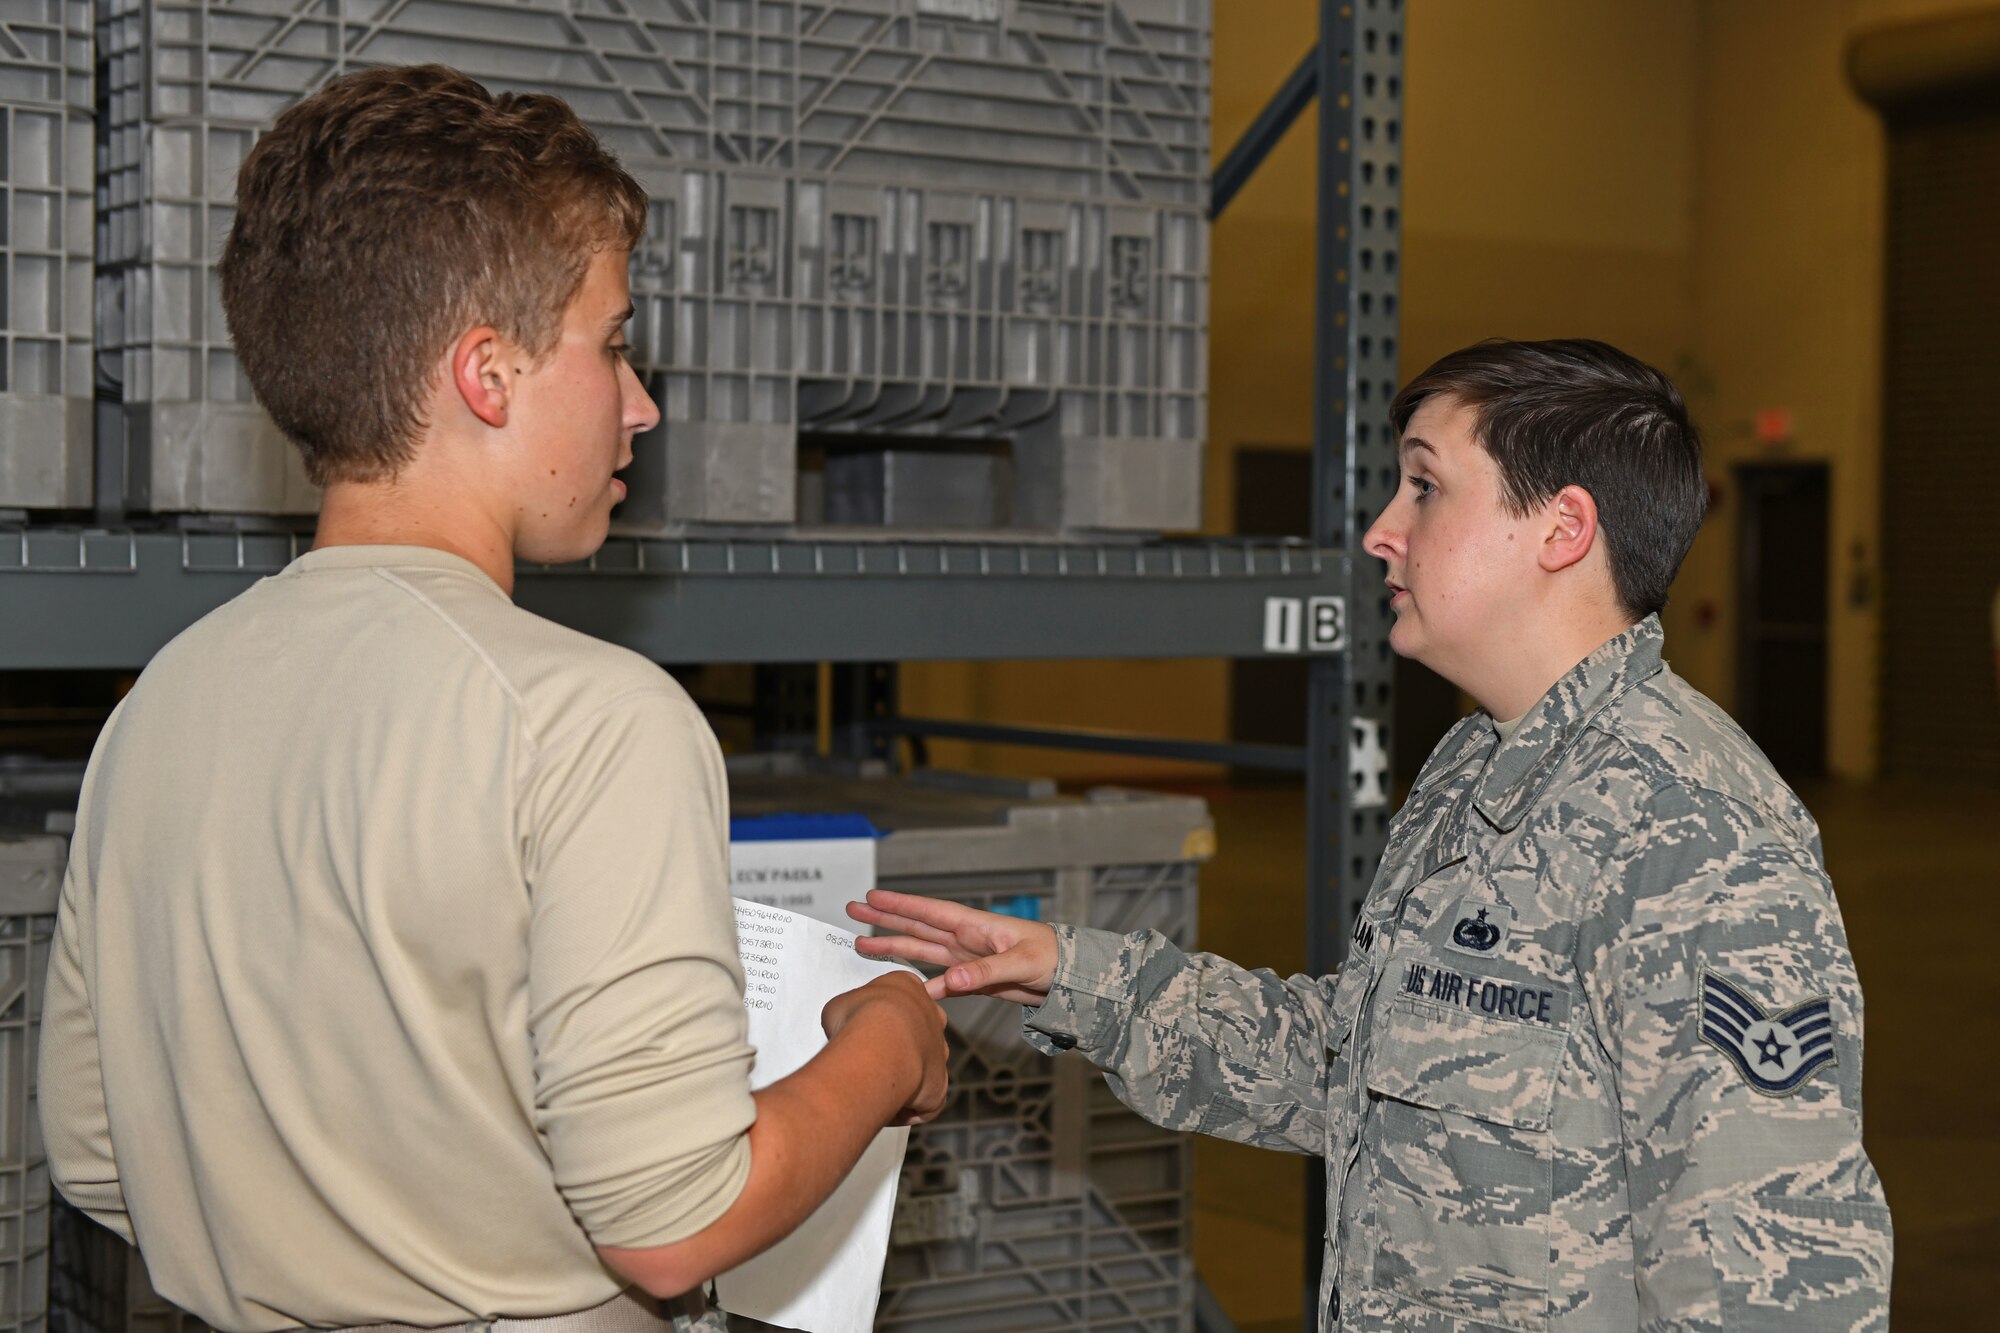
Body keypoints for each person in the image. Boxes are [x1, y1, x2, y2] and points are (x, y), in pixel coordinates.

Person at [39, 65, 948, 1333]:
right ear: (487, 374)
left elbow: (95, 1151)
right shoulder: (590, 721)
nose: (641, 406)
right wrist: (892, 1041)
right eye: (613, 343)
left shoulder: (159, 708)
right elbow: (678, 1222)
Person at [852, 339, 1892, 1331]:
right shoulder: (1473, 763)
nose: (1379, 529)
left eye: (1424, 487)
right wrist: (1069, 975)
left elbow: (1774, 1268)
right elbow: (1352, 1061)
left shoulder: (1687, 826)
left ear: (1560, 529)